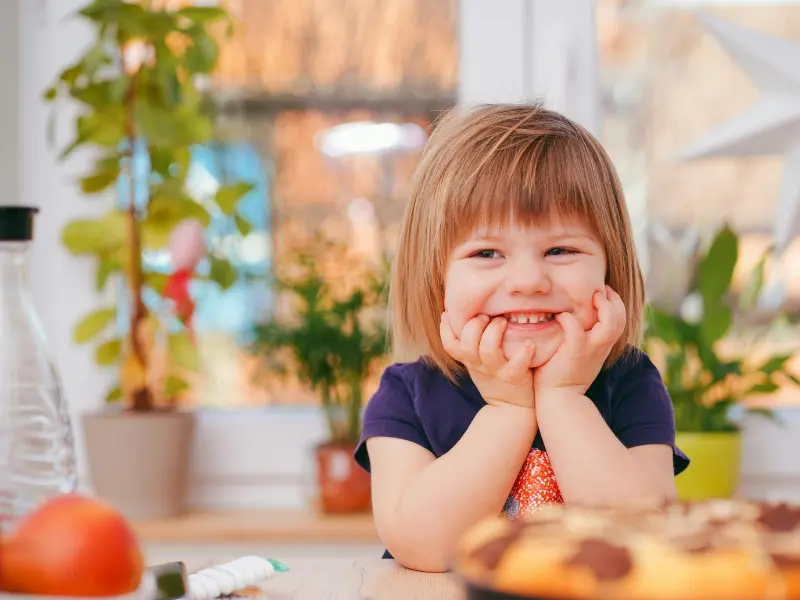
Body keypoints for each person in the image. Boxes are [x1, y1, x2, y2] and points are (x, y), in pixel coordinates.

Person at [352, 102, 689, 573]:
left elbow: (643, 541)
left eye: (561, 249)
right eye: (487, 252)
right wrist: (508, 409)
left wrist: (564, 399)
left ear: (610, 269)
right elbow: (423, 546)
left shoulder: (630, 383)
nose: (528, 280)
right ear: (436, 278)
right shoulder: (406, 395)